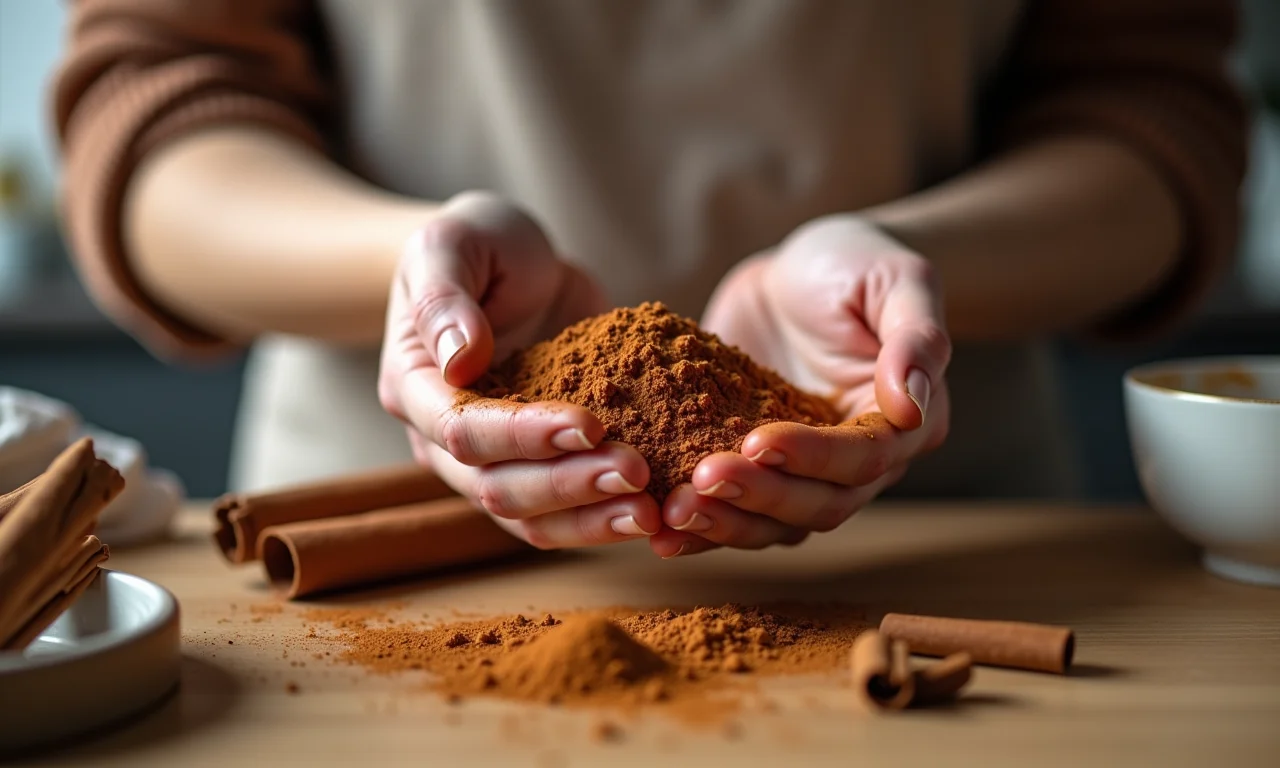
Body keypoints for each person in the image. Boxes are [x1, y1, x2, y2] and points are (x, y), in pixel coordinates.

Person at [52, 0, 1247, 558]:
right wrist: (419, 279)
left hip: (931, 530)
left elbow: (1148, 109)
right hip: (392, 533)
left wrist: (913, 275)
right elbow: (156, 111)